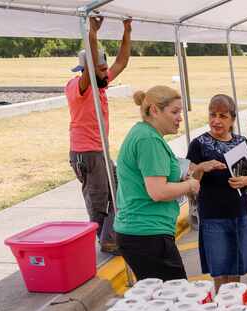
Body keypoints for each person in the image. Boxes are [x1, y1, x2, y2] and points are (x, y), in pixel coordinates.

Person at [114, 86, 200, 281]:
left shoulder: (144, 133)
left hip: (144, 232)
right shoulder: (148, 140)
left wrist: (178, 179)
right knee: (175, 298)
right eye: (174, 112)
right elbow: (158, 191)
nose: (180, 118)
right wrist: (190, 186)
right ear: (154, 110)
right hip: (146, 234)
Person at [188, 95, 247, 290]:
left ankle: (237, 308)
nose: (216, 120)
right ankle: (223, 309)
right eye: (212, 115)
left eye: (222, 116)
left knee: (237, 268)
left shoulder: (241, 143)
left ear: (232, 119)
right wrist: (202, 167)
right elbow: (190, 182)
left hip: (239, 215)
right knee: (220, 270)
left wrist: (245, 180)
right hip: (213, 217)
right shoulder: (198, 144)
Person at [66, 16, 131, 254]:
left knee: (119, 191)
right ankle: (106, 241)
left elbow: (122, 62)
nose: (108, 73)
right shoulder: (79, 87)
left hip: (100, 151)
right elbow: (94, 68)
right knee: (98, 200)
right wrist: (92, 33)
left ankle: (111, 236)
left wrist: (127, 31)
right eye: (102, 69)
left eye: (105, 69)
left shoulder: (101, 83)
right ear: (88, 70)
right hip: (86, 153)